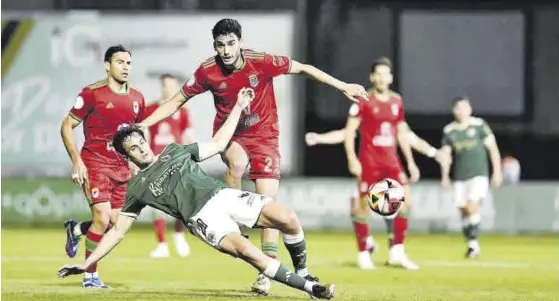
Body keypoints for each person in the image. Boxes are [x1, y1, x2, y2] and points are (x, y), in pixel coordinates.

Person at [138, 18, 367, 294]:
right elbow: (176, 101)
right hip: (231, 134)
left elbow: (304, 68)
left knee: (267, 206)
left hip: (265, 137)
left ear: (240, 43)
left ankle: (267, 274)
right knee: (236, 162)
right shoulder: (207, 71)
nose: (226, 50)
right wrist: (143, 125)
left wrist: (342, 86)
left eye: (231, 43)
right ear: (215, 45)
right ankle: (231, 214)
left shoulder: (262, 61)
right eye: (220, 45)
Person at [57, 88, 336, 300]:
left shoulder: (175, 151)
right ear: (126, 155)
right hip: (203, 220)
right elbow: (117, 232)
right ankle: (312, 289)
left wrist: (238, 106)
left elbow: (218, 142)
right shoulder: (136, 189)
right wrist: (88, 263)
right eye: (133, 148)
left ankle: (302, 272)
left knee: (287, 217)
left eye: (140, 141)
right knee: (248, 251)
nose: (140, 147)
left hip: (223, 195)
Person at [343, 57, 443, 270]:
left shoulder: (397, 101)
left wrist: (411, 162)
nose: (381, 77)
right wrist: (352, 158)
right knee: (363, 207)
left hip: (392, 161)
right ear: (372, 77)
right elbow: (350, 131)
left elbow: (402, 134)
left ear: (390, 78)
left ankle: (397, 252)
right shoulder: (363, 100)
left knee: (407, 202)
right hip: (369, 162)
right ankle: (363, 253)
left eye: (385, 74)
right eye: (377, 73)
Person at [60, 45, 146, 288]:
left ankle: (76, 230)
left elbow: (135, 135)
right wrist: (77, 160)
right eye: (120, 62)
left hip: (121, 168)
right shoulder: (91, 94)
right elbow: (66, 126)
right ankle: (90, 276)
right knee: (101, 217)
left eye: (129, 63)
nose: (125, 67)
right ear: (107, 65)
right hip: (95, 164)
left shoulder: (137, 98)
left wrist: (136, 162)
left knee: (116, 224)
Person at [305, 127, 449, 269]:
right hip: (367, 168)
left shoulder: (393, 115)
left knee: (400, 203)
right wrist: (319, 138)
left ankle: (395, 250)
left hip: (388, 171)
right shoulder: (366, 114)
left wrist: (433, 152)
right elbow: (345, 133)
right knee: (357, 206)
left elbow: (411, 138)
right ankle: (366, 247)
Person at [440, 96, 502, 258]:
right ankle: (471, 244)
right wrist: (445, 176)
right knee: (463, 211)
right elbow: (446, 156)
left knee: (471, 206)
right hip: (460, 176)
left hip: (479, 174)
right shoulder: (450, 130)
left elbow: (493, 149)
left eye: (464, 108)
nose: (462, 111)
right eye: (458, 108)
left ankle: (474, 245)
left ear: (470, 109)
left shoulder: (480, 126)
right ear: (454, 110)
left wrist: (497, 171)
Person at [145, 73, 195, 258]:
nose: (169, 88)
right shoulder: (151, 108)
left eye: (172, 85)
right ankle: (162, 244)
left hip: (176, 160)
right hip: (155, 161)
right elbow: (145, 134)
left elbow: (188, 135)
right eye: (166, 85)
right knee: (157, 204)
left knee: (181, 200)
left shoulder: (182, 111)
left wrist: (191, 153)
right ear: (162, 86)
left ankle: (179, 234)